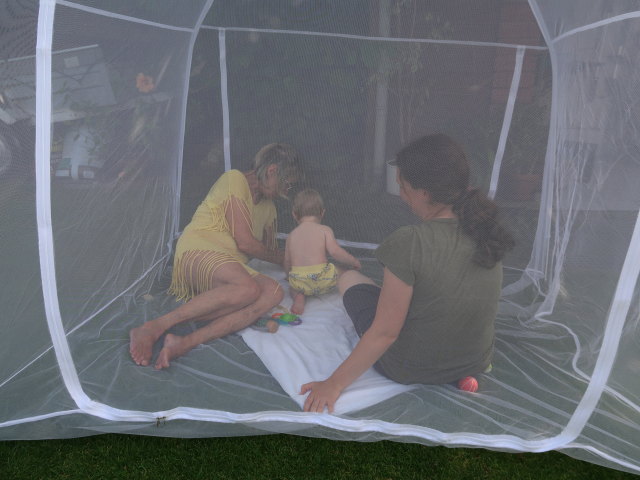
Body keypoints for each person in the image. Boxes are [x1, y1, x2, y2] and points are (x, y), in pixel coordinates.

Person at [300, 133, 515, 413]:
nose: (402, 196)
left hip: (409, 366)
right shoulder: (486, 229)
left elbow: (385, 333)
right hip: (473, 362)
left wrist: (334, 384)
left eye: (403, 187)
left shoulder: (410, 241)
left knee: (350, 279)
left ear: (424, 193)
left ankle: (349, 281)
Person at [129, 143, 304, 369]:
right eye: (287, 183)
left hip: (231, 267)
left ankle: (184, 342)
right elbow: (246, 243)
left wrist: (297, 262)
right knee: (248, 289)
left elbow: (265, 250)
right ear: (271, 171)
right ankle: (154, 327)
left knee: (274, 292)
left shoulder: (268, 208)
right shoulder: (234, 180)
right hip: (199, 248)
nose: (286, 191)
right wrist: (284, 258)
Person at [284, 189, 361, 315]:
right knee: (344, 272)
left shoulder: (291, 235)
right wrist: (353, 261)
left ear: (294, 214)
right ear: (322, 213)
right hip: (323, 278)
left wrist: (289, 276)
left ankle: (298, 298)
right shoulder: (324, 230)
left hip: (300, 280)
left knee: (293, 287)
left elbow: (287, 261)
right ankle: (353, 292)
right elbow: (335, 252)